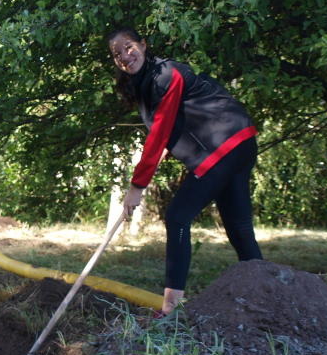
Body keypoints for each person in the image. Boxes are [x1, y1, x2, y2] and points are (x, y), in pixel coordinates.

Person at [108, 26, 263, 315]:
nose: (125, 56)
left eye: (129, 47)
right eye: (117, 54)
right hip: (237, 144)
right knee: (238, 227)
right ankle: (268, 295)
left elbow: (160, 132)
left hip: (225, 144)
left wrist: (137, 186)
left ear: (143, 44)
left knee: (177, 215)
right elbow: (170, 127)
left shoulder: (167, 74)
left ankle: (170, 307)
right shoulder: (146, 83)